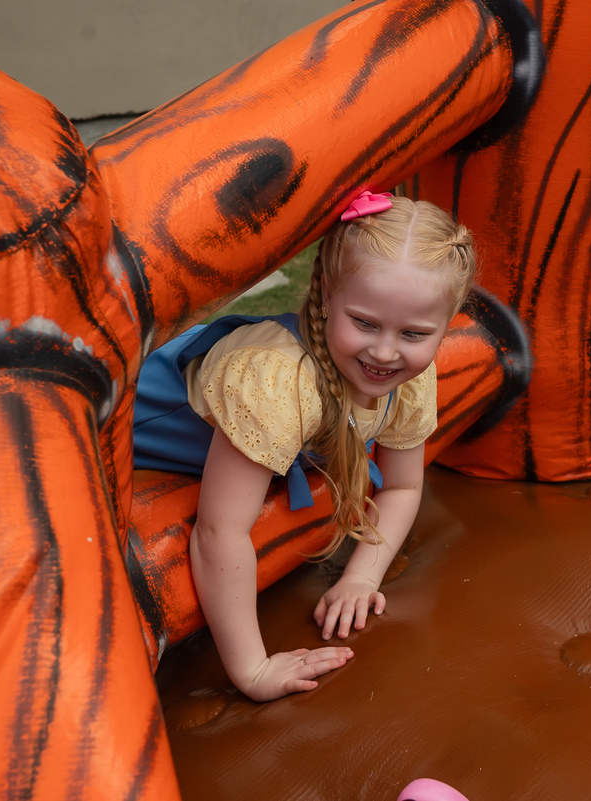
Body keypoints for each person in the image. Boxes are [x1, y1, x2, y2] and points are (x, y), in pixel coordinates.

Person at [133, 192, 476, 701]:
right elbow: (218, 533)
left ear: (445, 325)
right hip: (122, 424)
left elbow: (403, 485)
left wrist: (361, 578)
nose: (385, 351)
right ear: (325, 296)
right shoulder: (278, 382)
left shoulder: (409, 380)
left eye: (414, 332)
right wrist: (251, 669)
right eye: (364, 323)